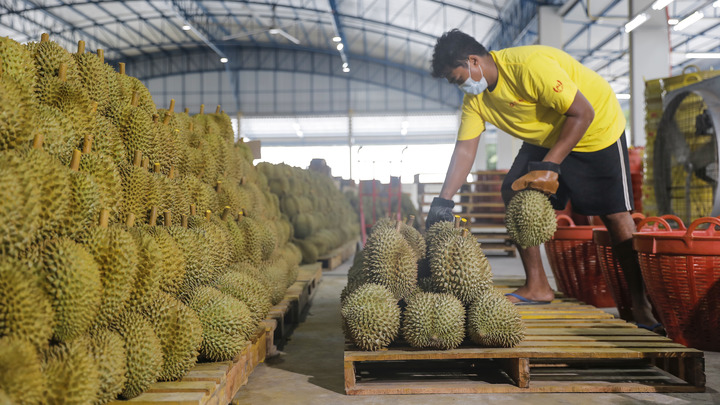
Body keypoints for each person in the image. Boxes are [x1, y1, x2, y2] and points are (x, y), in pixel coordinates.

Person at [425, 29, 661, 332]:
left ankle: (642, 307)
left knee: (615, 216)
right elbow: (466, 147)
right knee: (514, 191)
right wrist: (444, 200)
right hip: (548, 134)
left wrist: (551, 165)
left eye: (456, 78)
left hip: (595, 129)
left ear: (473, 61)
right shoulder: (476, 101)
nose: (459, 86)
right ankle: (537, 285)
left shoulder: (528, 67)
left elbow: (582, 113)